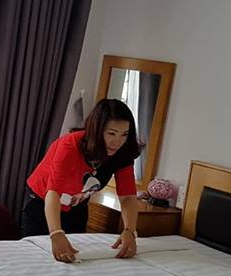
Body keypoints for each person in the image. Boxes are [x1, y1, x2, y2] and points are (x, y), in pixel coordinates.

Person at [22, 99, 142, 263]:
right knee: (36, 257)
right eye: (111, 133)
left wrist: (129, 230)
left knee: (73, 257)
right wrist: (56, 233)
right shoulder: (70, 145)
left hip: (76, 204)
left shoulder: (123, 153)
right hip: (42, 202)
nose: (117, 142)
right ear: (97, 130)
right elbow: (53, 192)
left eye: (124, 134)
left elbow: (127, 196)